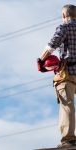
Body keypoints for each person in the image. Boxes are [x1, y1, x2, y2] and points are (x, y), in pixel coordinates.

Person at [39, 4, 76, 148]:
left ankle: (69, 139)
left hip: (67, 73)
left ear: (63, 16)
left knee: (67, 105)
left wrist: (41, 61)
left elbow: (52, 45)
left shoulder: (64, 27)